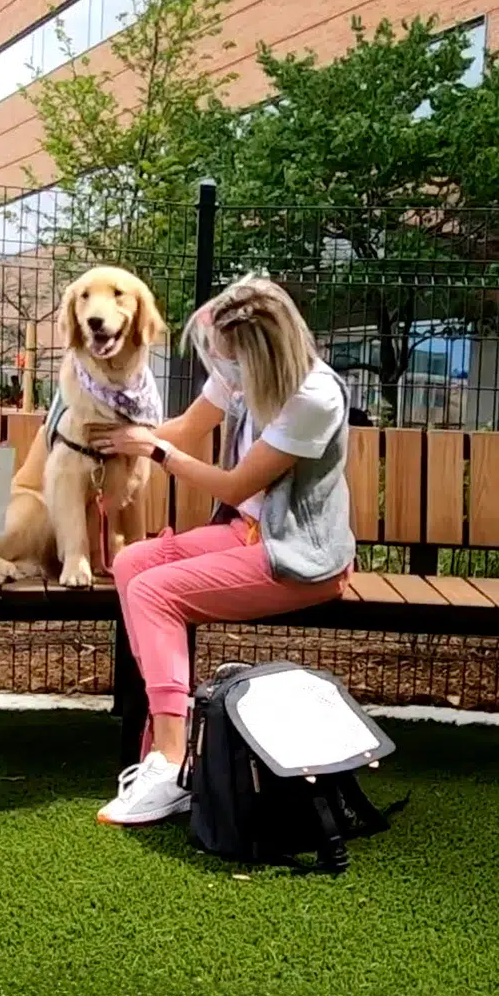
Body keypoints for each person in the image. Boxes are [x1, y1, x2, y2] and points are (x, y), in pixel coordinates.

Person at [90, 275, 354, 826]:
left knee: (157, 593)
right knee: (131, 562)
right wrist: (116, 440)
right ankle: (171, 727)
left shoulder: (313, 397)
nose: (220, 367)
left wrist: (156, 453)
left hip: (297, 555)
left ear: (259, 353)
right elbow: (185, 428)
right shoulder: (240, 373)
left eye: (228, 357)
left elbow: (233, 486)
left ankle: (169, 761)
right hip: (246, 534)